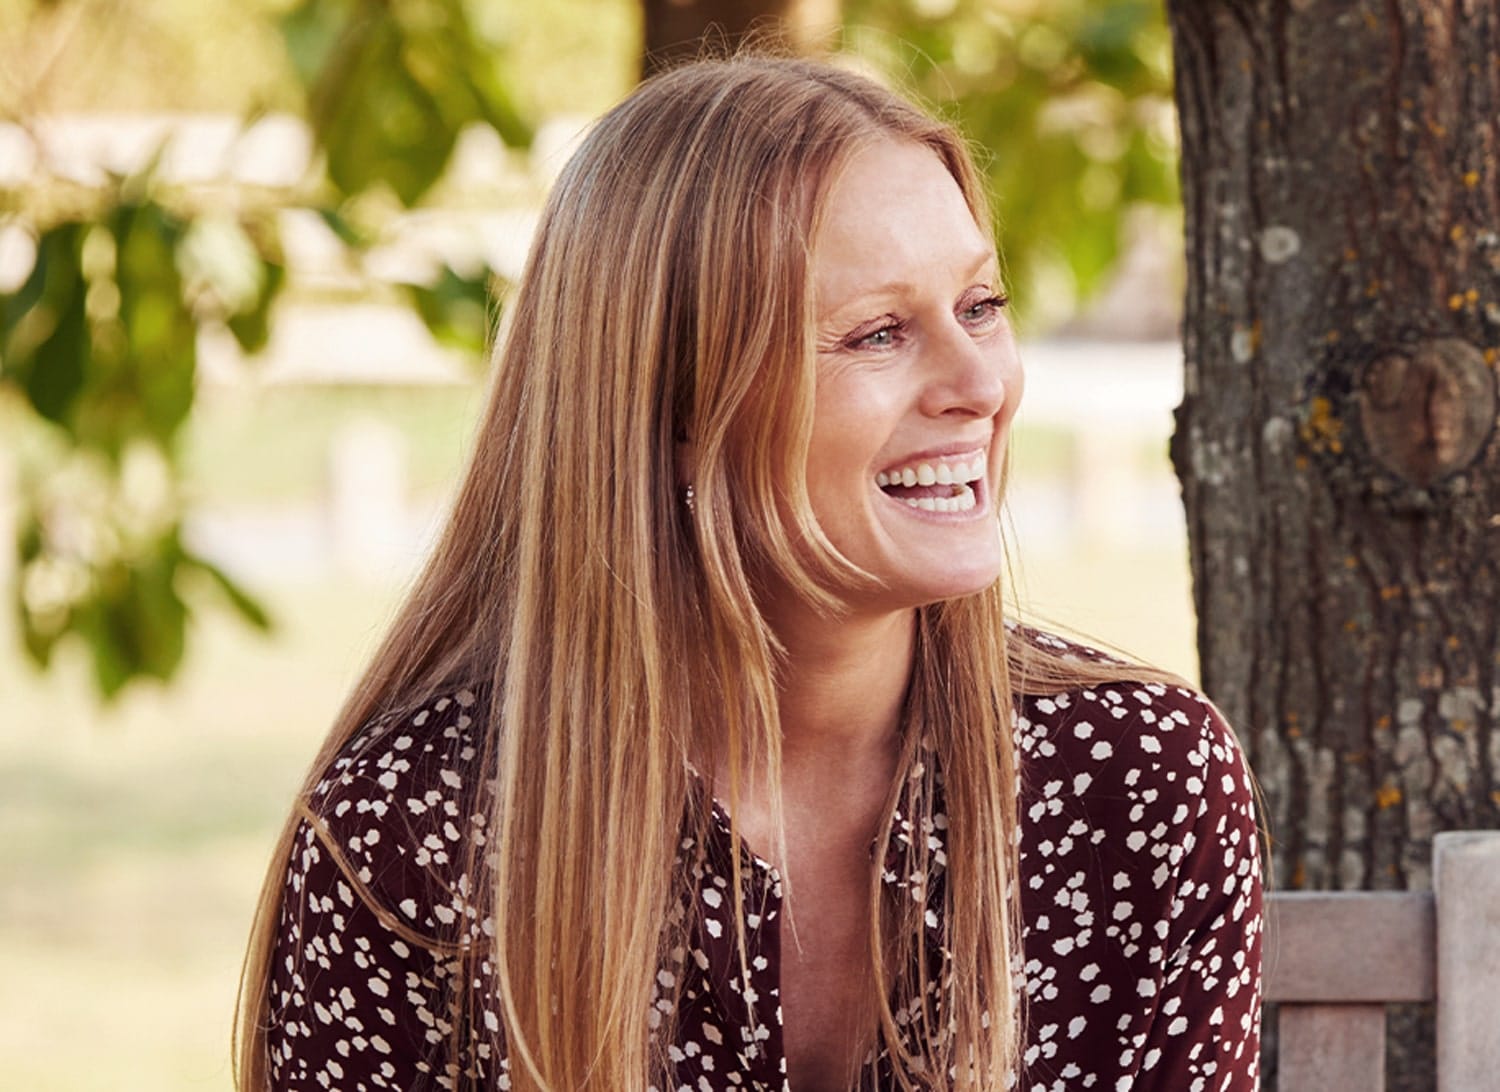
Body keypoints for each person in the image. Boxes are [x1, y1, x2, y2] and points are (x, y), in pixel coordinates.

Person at [236, 54, 1262, 1092]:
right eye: (879, 333)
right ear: (675, 411)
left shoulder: (1138, 783)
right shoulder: (415, 833)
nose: (978, 383)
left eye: (983, 305)